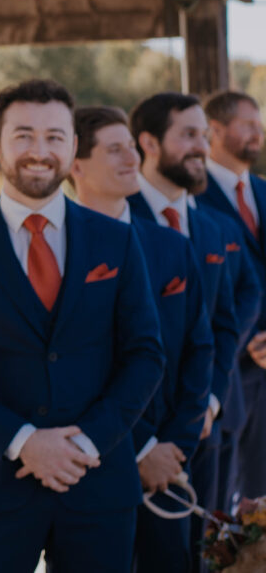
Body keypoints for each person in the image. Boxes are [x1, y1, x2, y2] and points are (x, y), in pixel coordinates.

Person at [0, 79, 164, 573]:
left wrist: (85, 443)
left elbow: (145, 354)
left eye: (55, 137)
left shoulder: (116, 242)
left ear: (73, 147)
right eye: (24, 135)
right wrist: (24, 441)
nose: (39, 151)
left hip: (98, 485)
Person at [70, 106, 213, 572]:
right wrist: (140, 447)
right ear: (75, 164)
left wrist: (174, 447)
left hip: (169, 470)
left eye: (131, 146)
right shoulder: (54, 251)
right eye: (115, 149)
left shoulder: (173, 246)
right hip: (87, 468)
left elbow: (199, 347)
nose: (132, 157)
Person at [126, 92, 254, 569]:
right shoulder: (116, 219)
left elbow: (234, 311)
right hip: (138, 433)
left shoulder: (219, 227)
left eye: (204, 134)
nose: (202, 146)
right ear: (149, 143)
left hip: (211, 426)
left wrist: (209, 400)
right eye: (189, 135)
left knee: (207, 556)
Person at [198, 90, 266, 505]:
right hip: (223, 372)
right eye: (248, 124)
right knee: (218, 501)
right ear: (216, 130)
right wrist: (246, 342)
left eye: (259, 124)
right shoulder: (191, 197)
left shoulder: (263, 190)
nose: (258, 132)